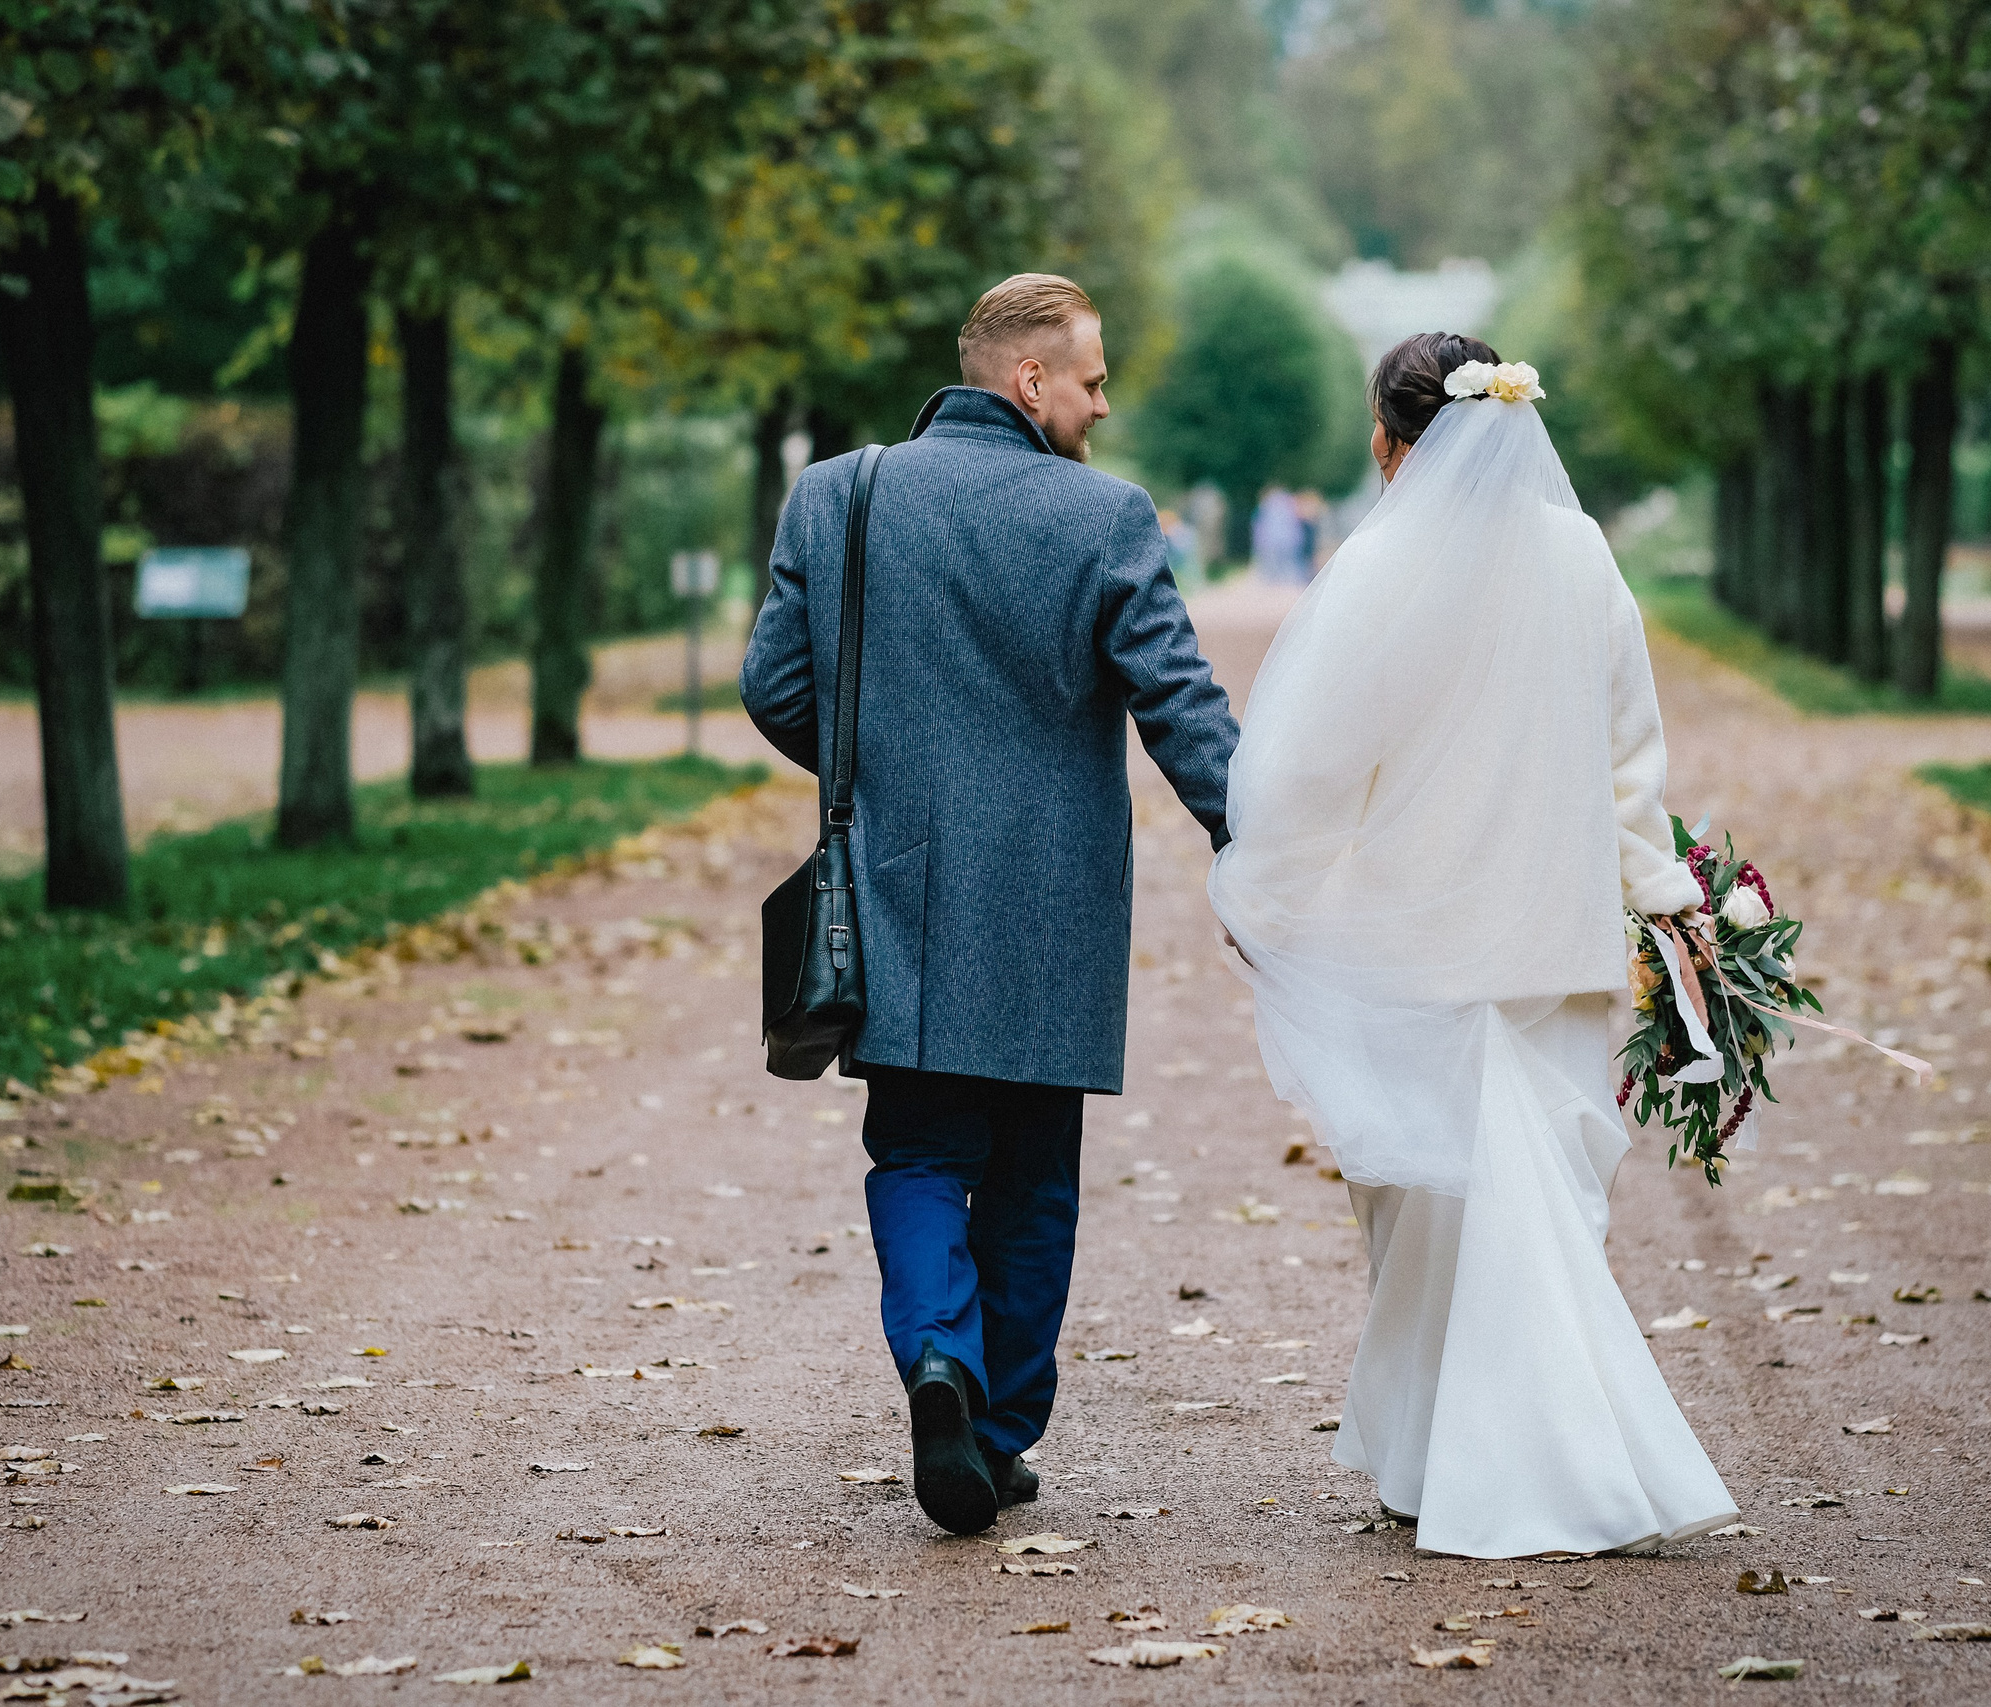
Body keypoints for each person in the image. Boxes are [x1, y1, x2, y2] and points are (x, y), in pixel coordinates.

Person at [1208, 331, 1738, 1558]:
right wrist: (1662, 895)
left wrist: (1266, 905)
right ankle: (1438, 1454)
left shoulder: (1379, 565)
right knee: (1539, 1198)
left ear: (1391, 445)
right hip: (1551, 941)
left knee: (1428, 1209)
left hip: (1408, 946)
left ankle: (1485, 1466)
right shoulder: (1580, 552)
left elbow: (1297, 773)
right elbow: (1628, 758)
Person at [741, 273, 1239, 1536]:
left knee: (914, 1150)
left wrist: (879, 778)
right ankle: (1000, 1430)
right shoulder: (1106, 519)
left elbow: (773, 687)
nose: (1103, 404)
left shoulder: (837, 495)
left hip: (894, 890)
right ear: (1029, 381)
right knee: (1032, 1177)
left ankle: (937, 1366)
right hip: (1055, 900)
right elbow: (1180, 706)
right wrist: (1263, 847)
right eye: (1091, 380)